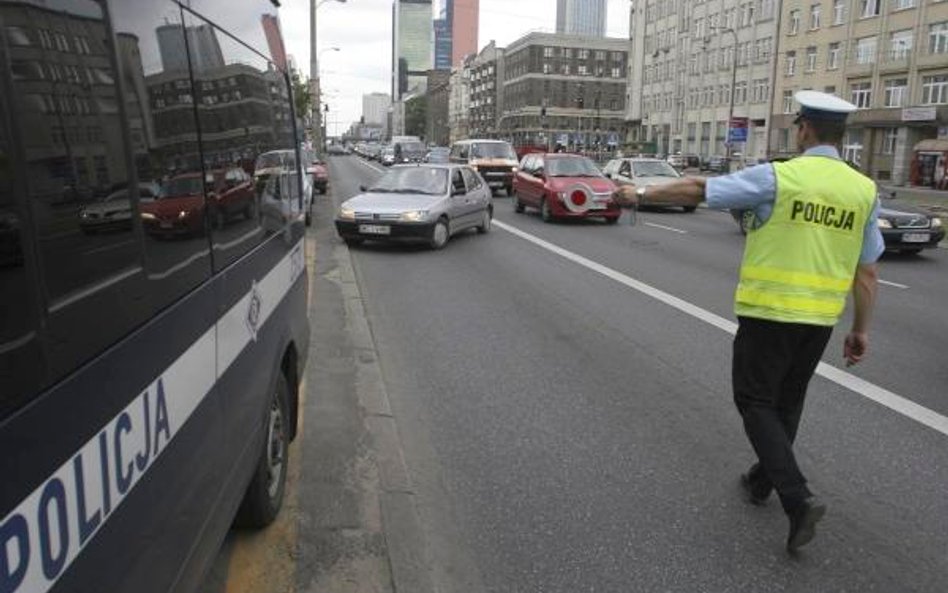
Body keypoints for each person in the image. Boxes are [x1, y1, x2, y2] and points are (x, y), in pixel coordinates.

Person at [613, 91, 884, 552]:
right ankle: (762, 481)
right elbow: (869, 271)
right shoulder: (864, 191)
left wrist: (638, 192)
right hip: (819, 319)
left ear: (803, 129)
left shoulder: (781, 177)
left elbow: (701, 189)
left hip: (770, 312)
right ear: (843, 136)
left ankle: (797, 499)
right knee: (787, 404)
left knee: (755, 400)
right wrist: (860, 329)